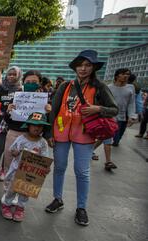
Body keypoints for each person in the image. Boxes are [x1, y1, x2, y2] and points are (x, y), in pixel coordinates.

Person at [45, 50, 118, 226]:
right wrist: (49, 133)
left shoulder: (100, 87)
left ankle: (81, 208)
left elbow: (114, 109)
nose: (83, 68)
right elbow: (53, 110)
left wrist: (97, 108)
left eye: (87, 65)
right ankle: (57, 199)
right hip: (61, 131)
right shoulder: (65, 86)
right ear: (75, 67)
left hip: (85, 134)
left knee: (82, 171)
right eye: (80, 65)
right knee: (59, 167)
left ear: (93, 68)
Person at [1, 112, 50, 222]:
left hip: (30, 174)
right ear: (28, 126)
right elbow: (12, 150)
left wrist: (46, 168)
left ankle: (20, 208)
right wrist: (16, 152)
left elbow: (45, 158)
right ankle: (6, 204)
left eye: (40, 126)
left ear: (43, 128)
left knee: (25, 191)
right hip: (16, 170)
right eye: (34, 125)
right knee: (11, 189)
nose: (37, 128)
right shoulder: (21, 138)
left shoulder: (43, 143)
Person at [2, 70, 52, 176]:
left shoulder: (44, 98)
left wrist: (48, 112)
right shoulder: (18, 95)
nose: (31, 84)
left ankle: (24, 192)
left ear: (39, 83)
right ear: (23, 82)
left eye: (34, 82)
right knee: (10, 166)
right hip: (14, 134)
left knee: (28, 170)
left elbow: (47, 122)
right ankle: (8, 191)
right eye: (28, 82)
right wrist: (8, 111)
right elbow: (7, 120)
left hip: (34, 138)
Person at [0, 66, 23, 183]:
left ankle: (4, 170)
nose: (12, 76)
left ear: (18, 76)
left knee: (9, 149)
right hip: (1, 122)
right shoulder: (0, 88)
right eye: (10, 74)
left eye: (14, 74)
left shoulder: (21, 90)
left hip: (14, 123)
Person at [109, 68, 138, 147]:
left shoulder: (131, 87)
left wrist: (132, 116)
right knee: (114, 131)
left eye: (128, 74)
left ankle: (116, 141)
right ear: (117, 76)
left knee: (121, 131)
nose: (125, 76)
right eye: (123, 74)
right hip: (112, 113)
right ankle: (112, 141)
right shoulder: (109, 87)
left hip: (125, 114)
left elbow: (132, 103)